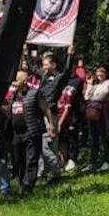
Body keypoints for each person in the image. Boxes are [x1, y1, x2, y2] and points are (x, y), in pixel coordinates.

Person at [9, 70, 45, 192]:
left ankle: (28, 186)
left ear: (25, 81)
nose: (14, 82)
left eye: (17, 79)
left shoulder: (34, 93)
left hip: (31, 131)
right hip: (16, 133)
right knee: (18, 159)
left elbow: (46, 109)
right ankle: (20, 182)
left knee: (31, 159)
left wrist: (52, 125)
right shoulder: (13, 96)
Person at [35, 52, 64, 183]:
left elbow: (68, 70)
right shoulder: (44, 76)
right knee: (41, 146)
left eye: (47, 65)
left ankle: (56, 173)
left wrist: (70, 55)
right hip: (40, 114)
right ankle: (43, 173)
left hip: (51, 114)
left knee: (50, 147)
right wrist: (26, 52)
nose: (44, 67)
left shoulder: (59, 77)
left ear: (54, 65)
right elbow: (33, 68)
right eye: (43, 65)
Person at [83, 65, 109, 171]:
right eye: (98, 72)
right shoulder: (95, 85)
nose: (100, 74)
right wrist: (89, 84)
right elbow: (86, 97)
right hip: (93, 114)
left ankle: (107, 161)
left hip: (103, 114)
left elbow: (103, 95)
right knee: (93, 137)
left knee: (104, 136)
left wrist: (93, 98)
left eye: (102, 72)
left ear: (106, 73)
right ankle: (93, 161)